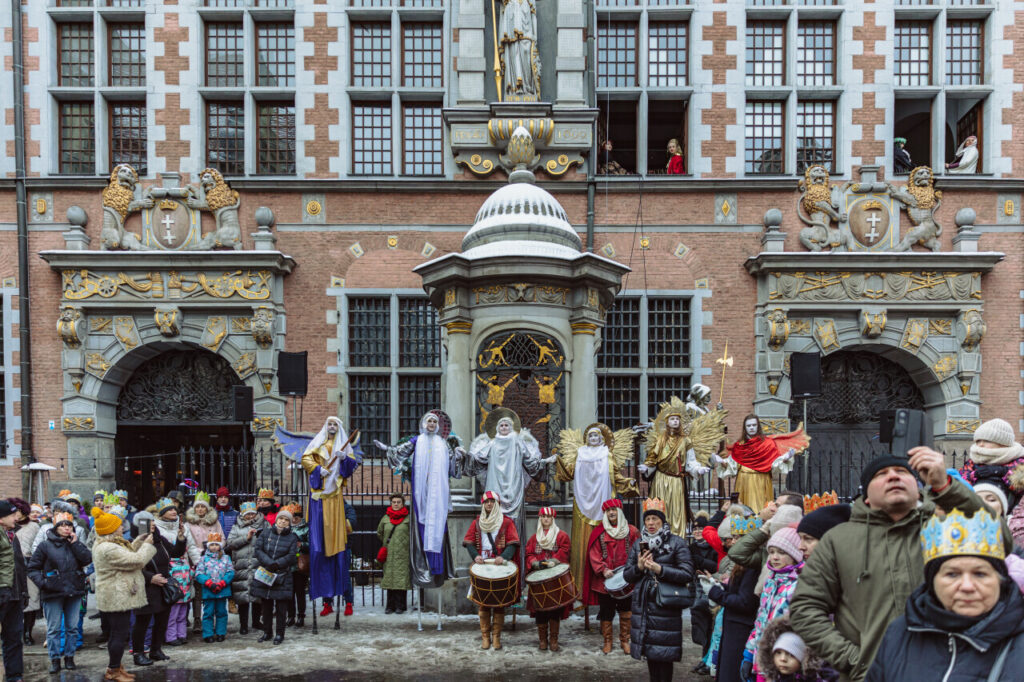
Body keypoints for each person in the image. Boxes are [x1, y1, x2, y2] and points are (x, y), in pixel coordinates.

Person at [790, 449, 1013, 682]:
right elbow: (805, 608)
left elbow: (1000, 540)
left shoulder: (946, 528)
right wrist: (856, 660)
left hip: (948, 673)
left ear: (917, 487)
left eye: (901, 471)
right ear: (866, 495)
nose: (893, 477)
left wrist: (946, 488)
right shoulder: (837, 540)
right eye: (882, 474)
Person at [865, 507, 1024, 680]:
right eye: (952, 574)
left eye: (980, 574)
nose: (967, 586)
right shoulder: (900, 633)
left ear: (1001, 580)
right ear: (932, 582)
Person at [377, 409, 465, 588]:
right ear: (424, 424)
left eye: (434, 422)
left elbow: (452, 468)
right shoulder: (417, 441)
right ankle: (423, 567)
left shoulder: (443, 444)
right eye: (429, 422)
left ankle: (437, 568)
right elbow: (400, 452)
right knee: (423, 525)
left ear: (438, 425)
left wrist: (458, 456)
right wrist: (388, 449)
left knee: (438, 526)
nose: (431, 425)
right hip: (422, 492)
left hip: (438, 493)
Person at [556, 422, 638, 605]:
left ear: (601, 439)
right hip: (582, 503)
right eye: (590, 436)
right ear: (586, 439)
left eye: (596, 436)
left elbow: (615, 475)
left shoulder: (606, 455)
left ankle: (607, 584)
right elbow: (568, 473)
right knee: (582, 543)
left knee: (602, 545)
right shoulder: (579, 454)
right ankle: (578, 586)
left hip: (603, 504)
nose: (593, 439)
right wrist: (558, 461)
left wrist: (627, 483)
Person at [623, 497, 695, 682]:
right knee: (651, 655)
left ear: (663, 521)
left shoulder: (676, 543)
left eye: (655, 519)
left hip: (665, 605)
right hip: (644, 606)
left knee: (664, 655)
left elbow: (687, 573)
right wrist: (639, 567)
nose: (651, 523)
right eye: (648, 519)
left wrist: (659, 569)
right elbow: (627, 575)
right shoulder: (639, 543)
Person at [300, 417, 361, 618]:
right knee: (322, 554)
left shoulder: (343, 444)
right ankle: (327, 601)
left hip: (334, 494)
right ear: (326, 427)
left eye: (335, 425)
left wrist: (344, 459)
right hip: (320, 494)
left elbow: (351, 465)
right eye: (330, 424)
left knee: (339, 558)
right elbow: (306, 458)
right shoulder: (318, 442)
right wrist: (318, 469)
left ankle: (347, 602)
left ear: (339, 428)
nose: (332, 427)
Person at [639, 397, 724, 535]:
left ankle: (677, 537)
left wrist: (698, 469)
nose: (675, 421)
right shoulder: (660, 440)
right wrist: (647, 468)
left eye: (677, 419)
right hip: (660, 480)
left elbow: (691, 461)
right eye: (672, 419)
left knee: (677, 511)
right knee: (659, 509)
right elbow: (653, 459)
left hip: (677, 480)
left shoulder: (685, 441)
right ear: (667, 422)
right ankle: (656, 535)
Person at [91, 504, 156, 682]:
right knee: (119, 634)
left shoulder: (109, 544)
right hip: (116, 596)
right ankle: (113, 670)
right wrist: (147, 546)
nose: (122, 527)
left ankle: (116, 667)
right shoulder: (108, 548)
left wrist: (138, 542)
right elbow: (136, 560)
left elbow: (126, 555)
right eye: (118, 525)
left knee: (117, 633)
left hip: (117, 594)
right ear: (111, 529)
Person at [700, 514, 763, 682]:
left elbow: (745, 602)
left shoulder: (752, 566)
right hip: (734, 627)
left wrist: (716, 593)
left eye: (737, 538)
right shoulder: (744, 563)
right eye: (733, 537)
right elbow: (739, 590)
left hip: (741, 630)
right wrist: (719, 585)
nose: (733, 542)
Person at [27, 510, 91, 673]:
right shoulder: (45, 545)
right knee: (54, 628)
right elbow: (33, 568)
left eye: (69, 525)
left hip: (74, 591)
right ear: (55, 527)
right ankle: (55, 659)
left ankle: (69, 657)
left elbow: (87, 559)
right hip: (53, 592)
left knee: (72, 627)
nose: (66, 528)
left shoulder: (75, 543)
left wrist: (75, 544)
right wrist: (44, 583)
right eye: (62, 525)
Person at [466, 408, 551, 523]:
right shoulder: (492, 443)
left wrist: (543, 462)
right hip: (495, 483)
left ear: (511, 427)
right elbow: (478, 459)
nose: (504, 427)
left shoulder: (518, 443)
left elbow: (529, 461)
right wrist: (464, 456)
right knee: (494, 514)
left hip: (513, 485)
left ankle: (513, 539)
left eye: (506, 425)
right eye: (501, 425)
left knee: (513, 520)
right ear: (497, 428)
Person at [742, 527, 805, 681]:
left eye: (781, 553)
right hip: (762, 656)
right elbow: (761, 620)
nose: (775, 557)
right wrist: (749, 653)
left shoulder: (799, 585)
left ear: (794, 554)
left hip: (784, 659)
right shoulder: (770, 580)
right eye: (771, 552)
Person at [132, 497, 186, 667]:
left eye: (153, 524)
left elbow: (176, 553)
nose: (153, 526)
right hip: (146, 586)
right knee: (143, 622)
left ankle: (156, 650)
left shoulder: (160, 540)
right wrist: (150, 578)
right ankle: (139, 653)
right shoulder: (137, 542)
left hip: (162, 585)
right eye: (149, 524)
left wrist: (181, 538)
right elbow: (134, 565)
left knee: (162, 620)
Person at [714, 416, 809, 513]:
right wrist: (723, 462)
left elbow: (774, 463)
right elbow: (733, 466)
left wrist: (785, 459)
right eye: (749, 425)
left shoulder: (768, 443)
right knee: (743, 510)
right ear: (745, 428)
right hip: (743, 480)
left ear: (758, 426)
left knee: (761, 508)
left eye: (754, 425)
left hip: (762, 480)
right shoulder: (739, 445)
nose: (751, 428)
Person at [464, 491, 520, 651]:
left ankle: (496, 637)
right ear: (483, 504)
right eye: (486, 502)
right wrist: (475, 556)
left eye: (492, 501)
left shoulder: (507, 522)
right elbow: (469, 542)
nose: (489, 504)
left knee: (499, 604)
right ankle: (485, 637)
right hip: (483, 566)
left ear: (497, 504)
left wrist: (504, 557)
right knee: (483, 603)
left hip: (499, 566)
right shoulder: (477, 522)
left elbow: (513, 543)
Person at [584, 498, 639, 655]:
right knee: (606, 612)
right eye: (608, 511)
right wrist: (602, 569)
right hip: (605, 581)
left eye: (614, 510)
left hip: (627, 580)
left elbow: (638, 552)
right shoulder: (599, 533)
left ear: (620, 512)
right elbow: (593, 554)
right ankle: (607, 641)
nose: (612, 513)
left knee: (626, 611)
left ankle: (625, 640)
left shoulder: (632, 531)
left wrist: (633, 570)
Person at [524, 507, 570, 652]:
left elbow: (565, 550)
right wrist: (533, 563)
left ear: (553, 519)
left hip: (555, 581)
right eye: (543, 517)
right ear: (540, 519)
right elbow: (529, 553)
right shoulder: (534, 538)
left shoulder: (561, 536)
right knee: (540, 610)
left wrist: (556, 561)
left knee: (554, 609)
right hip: (539, 581)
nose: (546, 519)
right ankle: (542, 640)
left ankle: (554, 639)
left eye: (549, 517)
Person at [958, 418, 1024, 520]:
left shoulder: (1019, 460)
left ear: (1002, 443)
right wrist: (974, 475)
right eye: (978, 440)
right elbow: (961, 485)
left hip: (1010, 517)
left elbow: (1020, 485)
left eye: (986, 440)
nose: (981, 444)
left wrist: (1004, 473)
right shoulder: (973, 461)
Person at [250, 508, 298, 645]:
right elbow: (258, 550)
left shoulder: (292, 538)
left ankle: (279, 634)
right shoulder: (265, 533)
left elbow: (291, 555)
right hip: (266, 573)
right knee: (266, 606)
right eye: (281, 518)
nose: (282, 521)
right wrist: (269, 563)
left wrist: (277, 564)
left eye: (286, 519)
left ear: (289, 523)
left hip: (282, 575)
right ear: (276, 520)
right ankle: (267, 632)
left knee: (282, 607)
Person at [226, 501, 268, 634]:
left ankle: (256, 621)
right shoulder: (236, 527)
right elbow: (230, 543)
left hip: (258, 564)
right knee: (242, 597)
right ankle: (243, 624)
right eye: (247, 514)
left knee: (257, 595)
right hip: (241, 565)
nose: (250, 516)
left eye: (252, 514)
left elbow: (271, 539)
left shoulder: (265, 524)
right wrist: (246, 537)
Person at [184, 491, 222, 635]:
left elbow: (222, 538)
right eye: (198, 507)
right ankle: (197, 619)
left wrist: (215, 549)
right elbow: (188, 541)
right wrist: (199, 552)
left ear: (207, 509)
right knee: (198, 591)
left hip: (213, 560)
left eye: (203, 507)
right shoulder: (189, 524)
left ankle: (212, 618)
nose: (200, 509)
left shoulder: (215, 522)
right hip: (196, 559)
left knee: (212, 589)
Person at [757, 616, 838, 682]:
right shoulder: (775, 678)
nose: (783, 659)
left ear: (804, 658)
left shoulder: (817, 678)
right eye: (778, 652)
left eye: (791, 654)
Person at [0, 500, 26, 682]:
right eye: (12, 514)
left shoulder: (12, 535)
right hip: (3, 593)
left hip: (14, 594)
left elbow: (18, 566)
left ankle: (15, 676)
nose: (16, 517)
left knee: (14, 637)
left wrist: (23, 591)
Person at [195, 532, 233, 643]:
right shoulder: (203, 559)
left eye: (216, 545)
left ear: (220, 546)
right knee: (208, 612)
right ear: (208, 546)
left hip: (222, 589)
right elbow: (199, 573)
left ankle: (221, 632)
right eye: (212, 545)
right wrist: (208, 583)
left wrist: (222, 583)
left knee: (221, 612)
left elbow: (230, 572)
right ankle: (208, 633)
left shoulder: (226, 558)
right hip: (209, 590)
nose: (214, 547)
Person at [376, 493, 411, 615]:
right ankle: (390, 606)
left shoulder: (408, 519)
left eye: (398, 502)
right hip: (389, 554)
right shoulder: (385, 518)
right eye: (394, 502)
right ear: (391, 503)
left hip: (403, 554)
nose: (396, 504)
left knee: (401, 580)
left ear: (403, 504)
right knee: (390, 579)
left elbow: (412, 536)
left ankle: (401, 606)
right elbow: (379, 533)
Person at [16, 504, 41, 646]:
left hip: (29, 566)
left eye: (19, 511)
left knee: (31, 599)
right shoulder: (6, 527)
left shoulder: (34, 527)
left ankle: (27, 632)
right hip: (11, 567)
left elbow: (38, 546)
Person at [284, 503, 309, 627]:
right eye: (292, 517)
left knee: (300, 591)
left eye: (296, 517)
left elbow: (311, 545)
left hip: (300, 564)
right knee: (289, 591)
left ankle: (301, 615)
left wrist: (302, 545)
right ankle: (290, 615)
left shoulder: (306, 528)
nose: (294, 520)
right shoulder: (285, 527)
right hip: (287, 564)